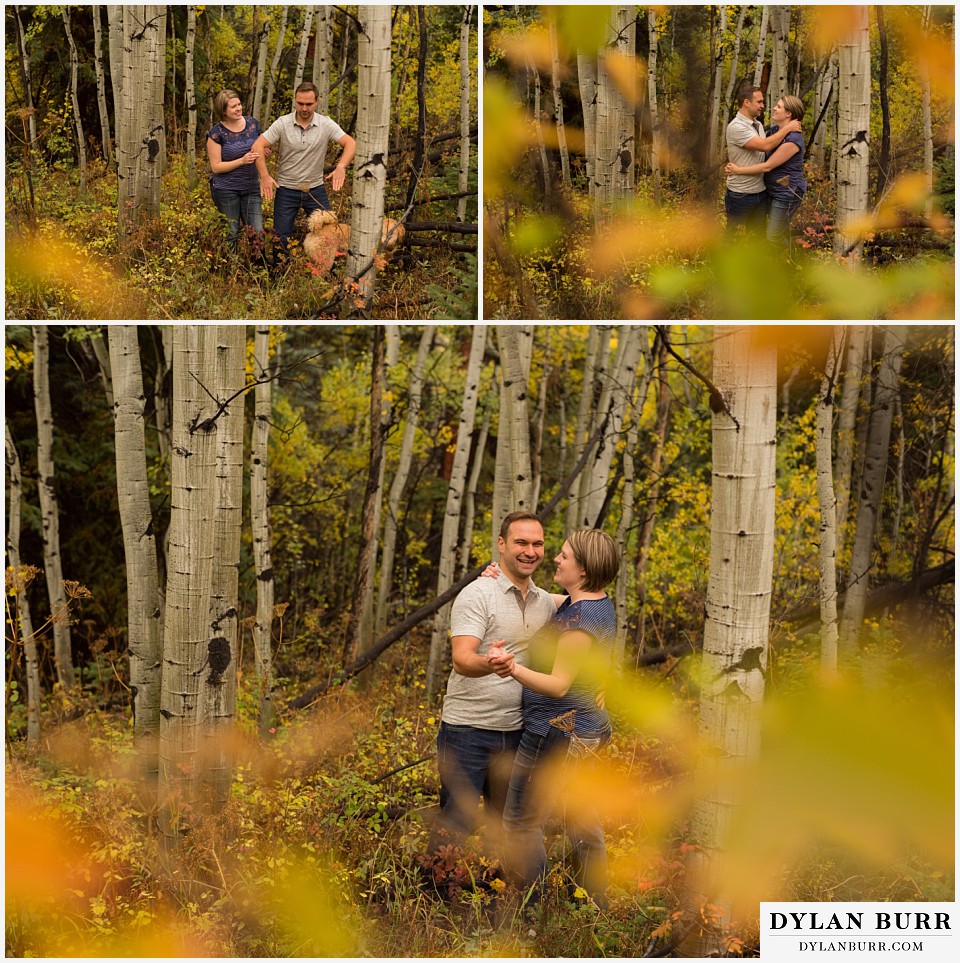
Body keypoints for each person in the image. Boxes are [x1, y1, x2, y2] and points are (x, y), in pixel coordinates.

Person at [487, 529, 621, 908]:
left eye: (564, 556)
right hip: (585, 728)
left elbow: (559, 684)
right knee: (581, 818)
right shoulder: (591, 603)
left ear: (583, 569)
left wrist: (510, 668)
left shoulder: (578, 623)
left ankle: (530, 910)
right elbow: (553, 601)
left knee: (521, 822)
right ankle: (594, 904)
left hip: (557, 732)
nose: (556, 560)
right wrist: (498, 576)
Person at [427, 512, 558, 856]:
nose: (530, 551)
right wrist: (492, 662)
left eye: (537, 544)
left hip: (517, 735)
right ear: (501, 545)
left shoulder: (545, 602)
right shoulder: (478, 595)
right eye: (521, 542)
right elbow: (462, 659)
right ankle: (436, 900)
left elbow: (587, 604)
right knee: (457, 823)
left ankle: (495, 899)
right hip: (467, 731)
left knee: (507, 825)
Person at [252, 82, 356, 264]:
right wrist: (265, 176)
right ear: (295, 101)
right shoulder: (283, 123)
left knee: (330, 232)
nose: (304, 108)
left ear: (316, 102)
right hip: (286, 190)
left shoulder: (325, 124)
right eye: (300, 103)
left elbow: (350, 143)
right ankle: (280, 277)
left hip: (314, 189)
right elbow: (257, 146)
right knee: (281, 237)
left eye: (308, 104)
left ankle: (326, 274)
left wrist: (341, 166)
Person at [725, 95, 807, 245]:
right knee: (775, 232)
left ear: (788, 114)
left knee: (774, 235)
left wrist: (738, 170)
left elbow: (768, 165)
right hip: (770, 190)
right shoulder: (775, 130)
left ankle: (786, 265)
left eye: (779, 107)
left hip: (787, 192)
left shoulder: (794, 139)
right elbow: (760, 150)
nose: (774, 108)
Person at [206, 89, 264, 249]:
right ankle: (231, 270)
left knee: (258, 233)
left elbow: (261, 146)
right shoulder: (216, 134)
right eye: (233, 107)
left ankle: (260, 269)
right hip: (226, 190)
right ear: (223, 111)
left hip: (251, 187)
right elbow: (216, 167)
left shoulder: (253, 124)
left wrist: (265, 150)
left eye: (239, 104)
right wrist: (242, 161)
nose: (238, 108)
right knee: (231, 233)